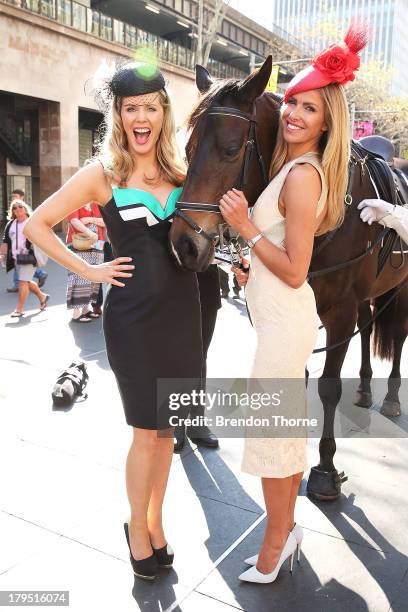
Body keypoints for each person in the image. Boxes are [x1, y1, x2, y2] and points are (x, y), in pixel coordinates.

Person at [24, 60, 203, 581]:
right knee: (145, 432)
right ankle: (137, 528)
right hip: (134, 321)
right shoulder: (101, 173)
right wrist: (89, 269)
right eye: (131, 109)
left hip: (183, 314)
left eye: (150, 107)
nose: (140, 117)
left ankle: (156, 521)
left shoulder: (182, 171)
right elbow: (38, 223)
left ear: (162, 113)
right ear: (119, 116)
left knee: (169, 432)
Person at [219, 24, 367, 583]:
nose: (295, 114)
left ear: (327, 121)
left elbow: (299, 269)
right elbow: (278, 254)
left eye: (309, 108)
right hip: (276, 316)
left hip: (286, 323)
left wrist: (243, 229)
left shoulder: (302, 176)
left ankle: (277, 537)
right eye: (293, 103)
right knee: (276, 433)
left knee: (270, 435)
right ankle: (284, 530)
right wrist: (251, 259)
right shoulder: (289, 167)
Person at [0, 199, 49, 317]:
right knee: (26, 281)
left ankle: (19, 309)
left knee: (22, 282)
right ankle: (42, 297)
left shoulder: (31, 222)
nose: (17, 209)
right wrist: (2, 255)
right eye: (14, 208)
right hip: (16, 258)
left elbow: (43, 235)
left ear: (25, 208)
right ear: (12, 211)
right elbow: (5, 241)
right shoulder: (10, 224)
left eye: (20, 206)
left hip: (29, 257)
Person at [66, 201, 105, 322]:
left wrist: (89, 219)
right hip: (79, 243)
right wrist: (89, 232)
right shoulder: (75, 203)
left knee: (92, 277)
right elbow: (74, 220)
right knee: (79, 276)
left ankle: (85, 310)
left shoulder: (96, 204)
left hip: (97, 244)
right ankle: (76, 313)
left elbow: (104, 221)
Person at [6, 189, 48, 292]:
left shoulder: (25, 208)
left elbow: (32, 224)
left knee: (21, 265)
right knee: (19, 265)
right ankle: (20, 284)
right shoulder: (15, 208)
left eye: (15, 196)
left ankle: (23, 284)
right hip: (17, 245)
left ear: (21, 197)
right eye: (13, 197)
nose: (14, 198)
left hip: (25, 246)